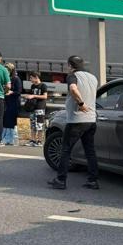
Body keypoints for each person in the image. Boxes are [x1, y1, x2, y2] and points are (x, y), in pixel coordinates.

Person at [48, 55, 99, 190]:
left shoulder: (72, 76)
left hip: (77, 120)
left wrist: (81, 103)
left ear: (70, 65)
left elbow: (73, 89)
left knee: (65, 150)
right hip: (91, 119)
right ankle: (93, 180)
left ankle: (60, 180)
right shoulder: (93, 78)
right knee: (90, 151)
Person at [25, 71, 49, 147]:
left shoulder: (43, 85)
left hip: (40, 107)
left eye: (31, 78)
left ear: (36, 77)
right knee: (32, 125)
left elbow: (45, 96)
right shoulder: (32, 86)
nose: (30, 79)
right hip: (33, 107)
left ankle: (39, 141)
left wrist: (34, 96)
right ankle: (32, 140)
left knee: (40, 125)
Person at [2, 63, 22, 145]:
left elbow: (19, 91)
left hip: (14, 102)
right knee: (5, 120)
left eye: (7, 69)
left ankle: (11, 139)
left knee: (11, 121)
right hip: (6, 102)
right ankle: (4, 137)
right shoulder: (5, 79)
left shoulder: (16, 79)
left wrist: (11, 92)